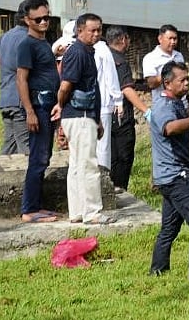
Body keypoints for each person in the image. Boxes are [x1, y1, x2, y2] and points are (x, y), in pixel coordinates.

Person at [149, 61, 189, 281]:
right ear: (167, 83)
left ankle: (158, 269)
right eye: (182, 80)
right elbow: (169, 128)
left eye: (188, 79)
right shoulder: (163, 105)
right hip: (176, 177)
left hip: (168, 176)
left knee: (170, 227)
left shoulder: (175, 101)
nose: (187, 84)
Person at [52, 13, 114, 225]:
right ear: (80, 31)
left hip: (80, 116)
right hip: (80, 115)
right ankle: (93, 213)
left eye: (99, 30)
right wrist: (61, 105)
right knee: (88, 164)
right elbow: (65, 85)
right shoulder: (78, 53)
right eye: (92, 30)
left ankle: (77, 211)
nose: (96, 34)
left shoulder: (84, 52)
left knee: (77, 164)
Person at [14, 0, 61, 223]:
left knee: (45, 156)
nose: (44, 22)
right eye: (38, 19)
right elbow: (21, 79)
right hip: (38, 107)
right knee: (38, 158)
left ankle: (36, 206)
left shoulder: (43, 42)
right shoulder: (27, 45)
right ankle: (29, 209)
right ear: (27, 20)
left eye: (46, 17)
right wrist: (30, 111)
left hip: (48, 106)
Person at [107, 25, 151, 191]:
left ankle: (109, 189)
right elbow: (127, 89)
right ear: (124, 39)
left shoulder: (103, 56)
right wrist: (146, 111)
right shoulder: (121, 62)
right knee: (123, 157)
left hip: (106, 115)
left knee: (110, 156)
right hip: (120, 118)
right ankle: (119, 191)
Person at [0, 6, 32, 155]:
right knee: (27, 149)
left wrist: (4, 64)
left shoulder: (8, 35)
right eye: (40, 18)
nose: (44, 21)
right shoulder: (27, 39)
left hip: (6, 100)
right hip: (20, 102)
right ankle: (27, 178)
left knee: (9, 147)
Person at [93, 35, 123, 173]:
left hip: (92, 104)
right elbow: (111, 76)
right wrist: (118, 99)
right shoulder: (102, 50)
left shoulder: (96, 49)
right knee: (102, 146)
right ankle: (103, 177)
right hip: (102, 104)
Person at [142, 24, 185, 106]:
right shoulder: (150, 58)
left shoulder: (179, 56)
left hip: (181, 103)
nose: (173, 42)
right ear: (160, 39)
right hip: (163, 105)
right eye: (170, 38)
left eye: (175, 39)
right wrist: (168, 74)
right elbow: (151, 84)